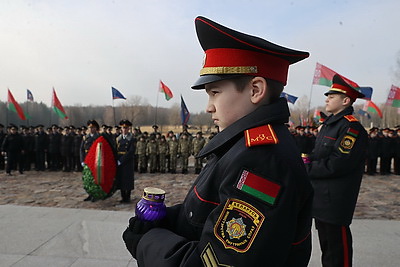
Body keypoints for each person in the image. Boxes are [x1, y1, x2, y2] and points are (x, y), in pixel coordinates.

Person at [123, 16, 313, 266]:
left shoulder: (262, 161)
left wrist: (148, 242)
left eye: (215, 92)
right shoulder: (242, 145)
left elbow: (220, 261)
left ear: (255, 90)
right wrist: (165, 220)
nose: (209, 107)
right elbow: (209, 212)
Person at [305, 74, 368, 267]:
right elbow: (318, 154)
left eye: (332, 96)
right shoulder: (329, 126)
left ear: (345, 100)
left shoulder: (351, 128)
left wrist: (307, 167)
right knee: (327, 249)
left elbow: (338, 164)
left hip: (335, 200)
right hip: (321, 198)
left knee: (337, 251)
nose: (327, 99)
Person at [116, 120, 136, 203]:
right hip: (119, 161)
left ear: (128, 129)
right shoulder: (118, 138)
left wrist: (121, 160)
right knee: (121, 179)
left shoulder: (132, 139)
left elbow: (131, 151)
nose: (125, 130)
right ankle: (123, 196)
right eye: (123, 128)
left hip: (127, 161)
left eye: (126, 128)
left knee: (127, 180)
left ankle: (127, 197)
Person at [80, 120, 100, 201]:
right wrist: (82, 160)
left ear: (96, 128)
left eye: (93, 127)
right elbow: (81, 150)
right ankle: (89, 194)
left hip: (95, 160)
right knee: (87, 179)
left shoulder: (98, 137)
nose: (91, 129)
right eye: (90, 127)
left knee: (95, 179)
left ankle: (95, 195)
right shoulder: (85, 137)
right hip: (86, 160)